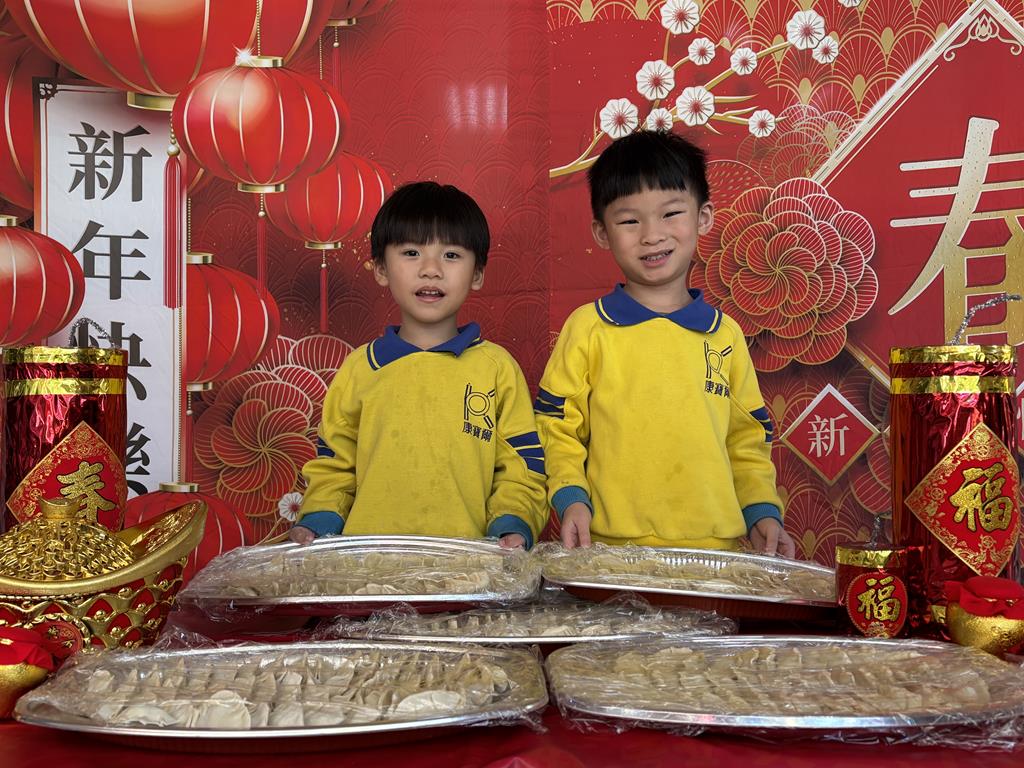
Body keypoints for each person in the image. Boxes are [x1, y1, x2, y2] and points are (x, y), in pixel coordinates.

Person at [535, 129, 795, 557]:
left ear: (703, 217)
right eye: (629, 221)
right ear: (602, 232)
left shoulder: (725, 335)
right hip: (610, 553)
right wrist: (570, 496)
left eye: (671, 213)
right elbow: (555, 425)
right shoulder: (588, 328)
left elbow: (747, 440)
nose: (652, 235)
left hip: (716, 553)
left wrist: (762, 514)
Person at [290, 181, 547, 549]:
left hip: (468, 566)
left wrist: (513, 524)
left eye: (451, 255)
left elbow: (520, 468)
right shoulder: (359, 369)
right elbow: (334, 466)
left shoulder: (496, 369)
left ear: (477, 273)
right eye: (411, 252)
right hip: (369, 564)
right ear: (381, 268)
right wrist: (318, 520)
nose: (431, 269)